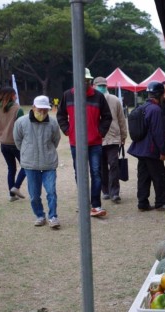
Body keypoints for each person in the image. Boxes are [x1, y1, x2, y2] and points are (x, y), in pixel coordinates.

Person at [57, 67, 112, 217]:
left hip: (95, 143)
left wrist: (100, 132)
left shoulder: (98, 96)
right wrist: (68, 130)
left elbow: (107, 117)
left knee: (96, 173)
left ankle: (96, 205)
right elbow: (60, 115)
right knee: (80, 174)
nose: (85, 83)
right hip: (76, 143)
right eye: (82, 80)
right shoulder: (68, 95)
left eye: (87, 80)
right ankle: (83, 202)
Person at [14, 96, 61, 229]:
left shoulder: (52, 123)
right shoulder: (21, 122)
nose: (42, 113)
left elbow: (56, 140)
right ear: (33, 107)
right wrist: (26, 151)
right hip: (30, 164)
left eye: (45, 110)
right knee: (34, 195)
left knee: (51, 191)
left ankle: (53, 217)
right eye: (39, 109)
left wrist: (48, 151)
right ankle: (40, 215)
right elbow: (18, 140)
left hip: (49, 163)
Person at [127, 82, 165, 212]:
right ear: (159, 94)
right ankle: (161, 203)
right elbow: (158, 132)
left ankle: (142, 203)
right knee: (160, 177)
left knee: (143, 177)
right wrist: (162, 152)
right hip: (152, 150)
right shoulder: (156, 110)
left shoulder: (143, 107)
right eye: (164, 93)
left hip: (140, 149)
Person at [93, 76, 128, 203]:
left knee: (114, 165)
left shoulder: (114, 100)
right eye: (99, 85)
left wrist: (123, 135)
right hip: (97, 138)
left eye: (104, 85)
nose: (102, 87)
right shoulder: (91, 100)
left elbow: (121, 119)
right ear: (94, 86)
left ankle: (115, 192)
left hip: (113, 137)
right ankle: (105, 190)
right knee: (101, 166)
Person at [0, 87, 26, 202]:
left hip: (3, 143)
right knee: (26, 166)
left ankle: (11, 194)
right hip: (15, 143)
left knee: (11, 168)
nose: (17, 96)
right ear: (12, 96)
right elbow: (22, 127)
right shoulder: (18, 109)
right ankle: (16, 187)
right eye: (15, 95)